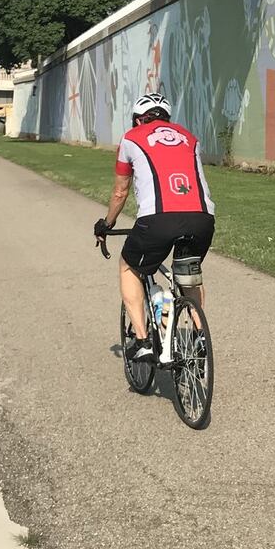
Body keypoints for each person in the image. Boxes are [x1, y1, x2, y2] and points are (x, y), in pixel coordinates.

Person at [98, 92, 216, 363]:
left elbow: (120, 192)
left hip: (158, 219)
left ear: (139, 119)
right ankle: (199, 339)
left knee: (129, 266)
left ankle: (143, 342)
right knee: (189, 275)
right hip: (202, 218)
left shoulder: (131, 137)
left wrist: (107, 224)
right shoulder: (190, 137)